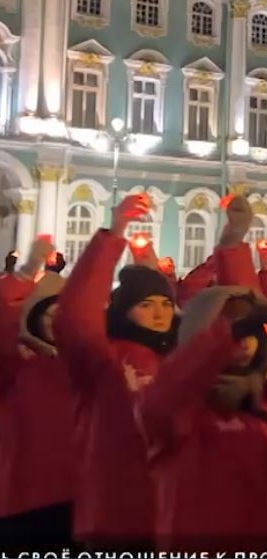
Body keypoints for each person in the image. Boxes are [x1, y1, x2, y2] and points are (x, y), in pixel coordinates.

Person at [134, 196, 267, 550]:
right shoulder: (178, 412)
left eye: (250, 332)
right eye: (232, 329)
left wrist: (235, 245)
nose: (244, 342)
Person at [53, 194, 175, 548]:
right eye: (146, 305)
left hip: (167, 515)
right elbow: (76, 316)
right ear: (124, 311)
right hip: (113, 515)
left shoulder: (179, 359)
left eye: (166, 304)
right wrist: (114, 233)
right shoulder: (103, 357)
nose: (159, 313)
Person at [0, 265, 75, 548]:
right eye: (52, 316)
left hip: (78, 498)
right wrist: (22, 277)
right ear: (34, 318)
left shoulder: (90, 365)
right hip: (26, 500)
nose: (59, 325)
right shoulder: (18, 363)